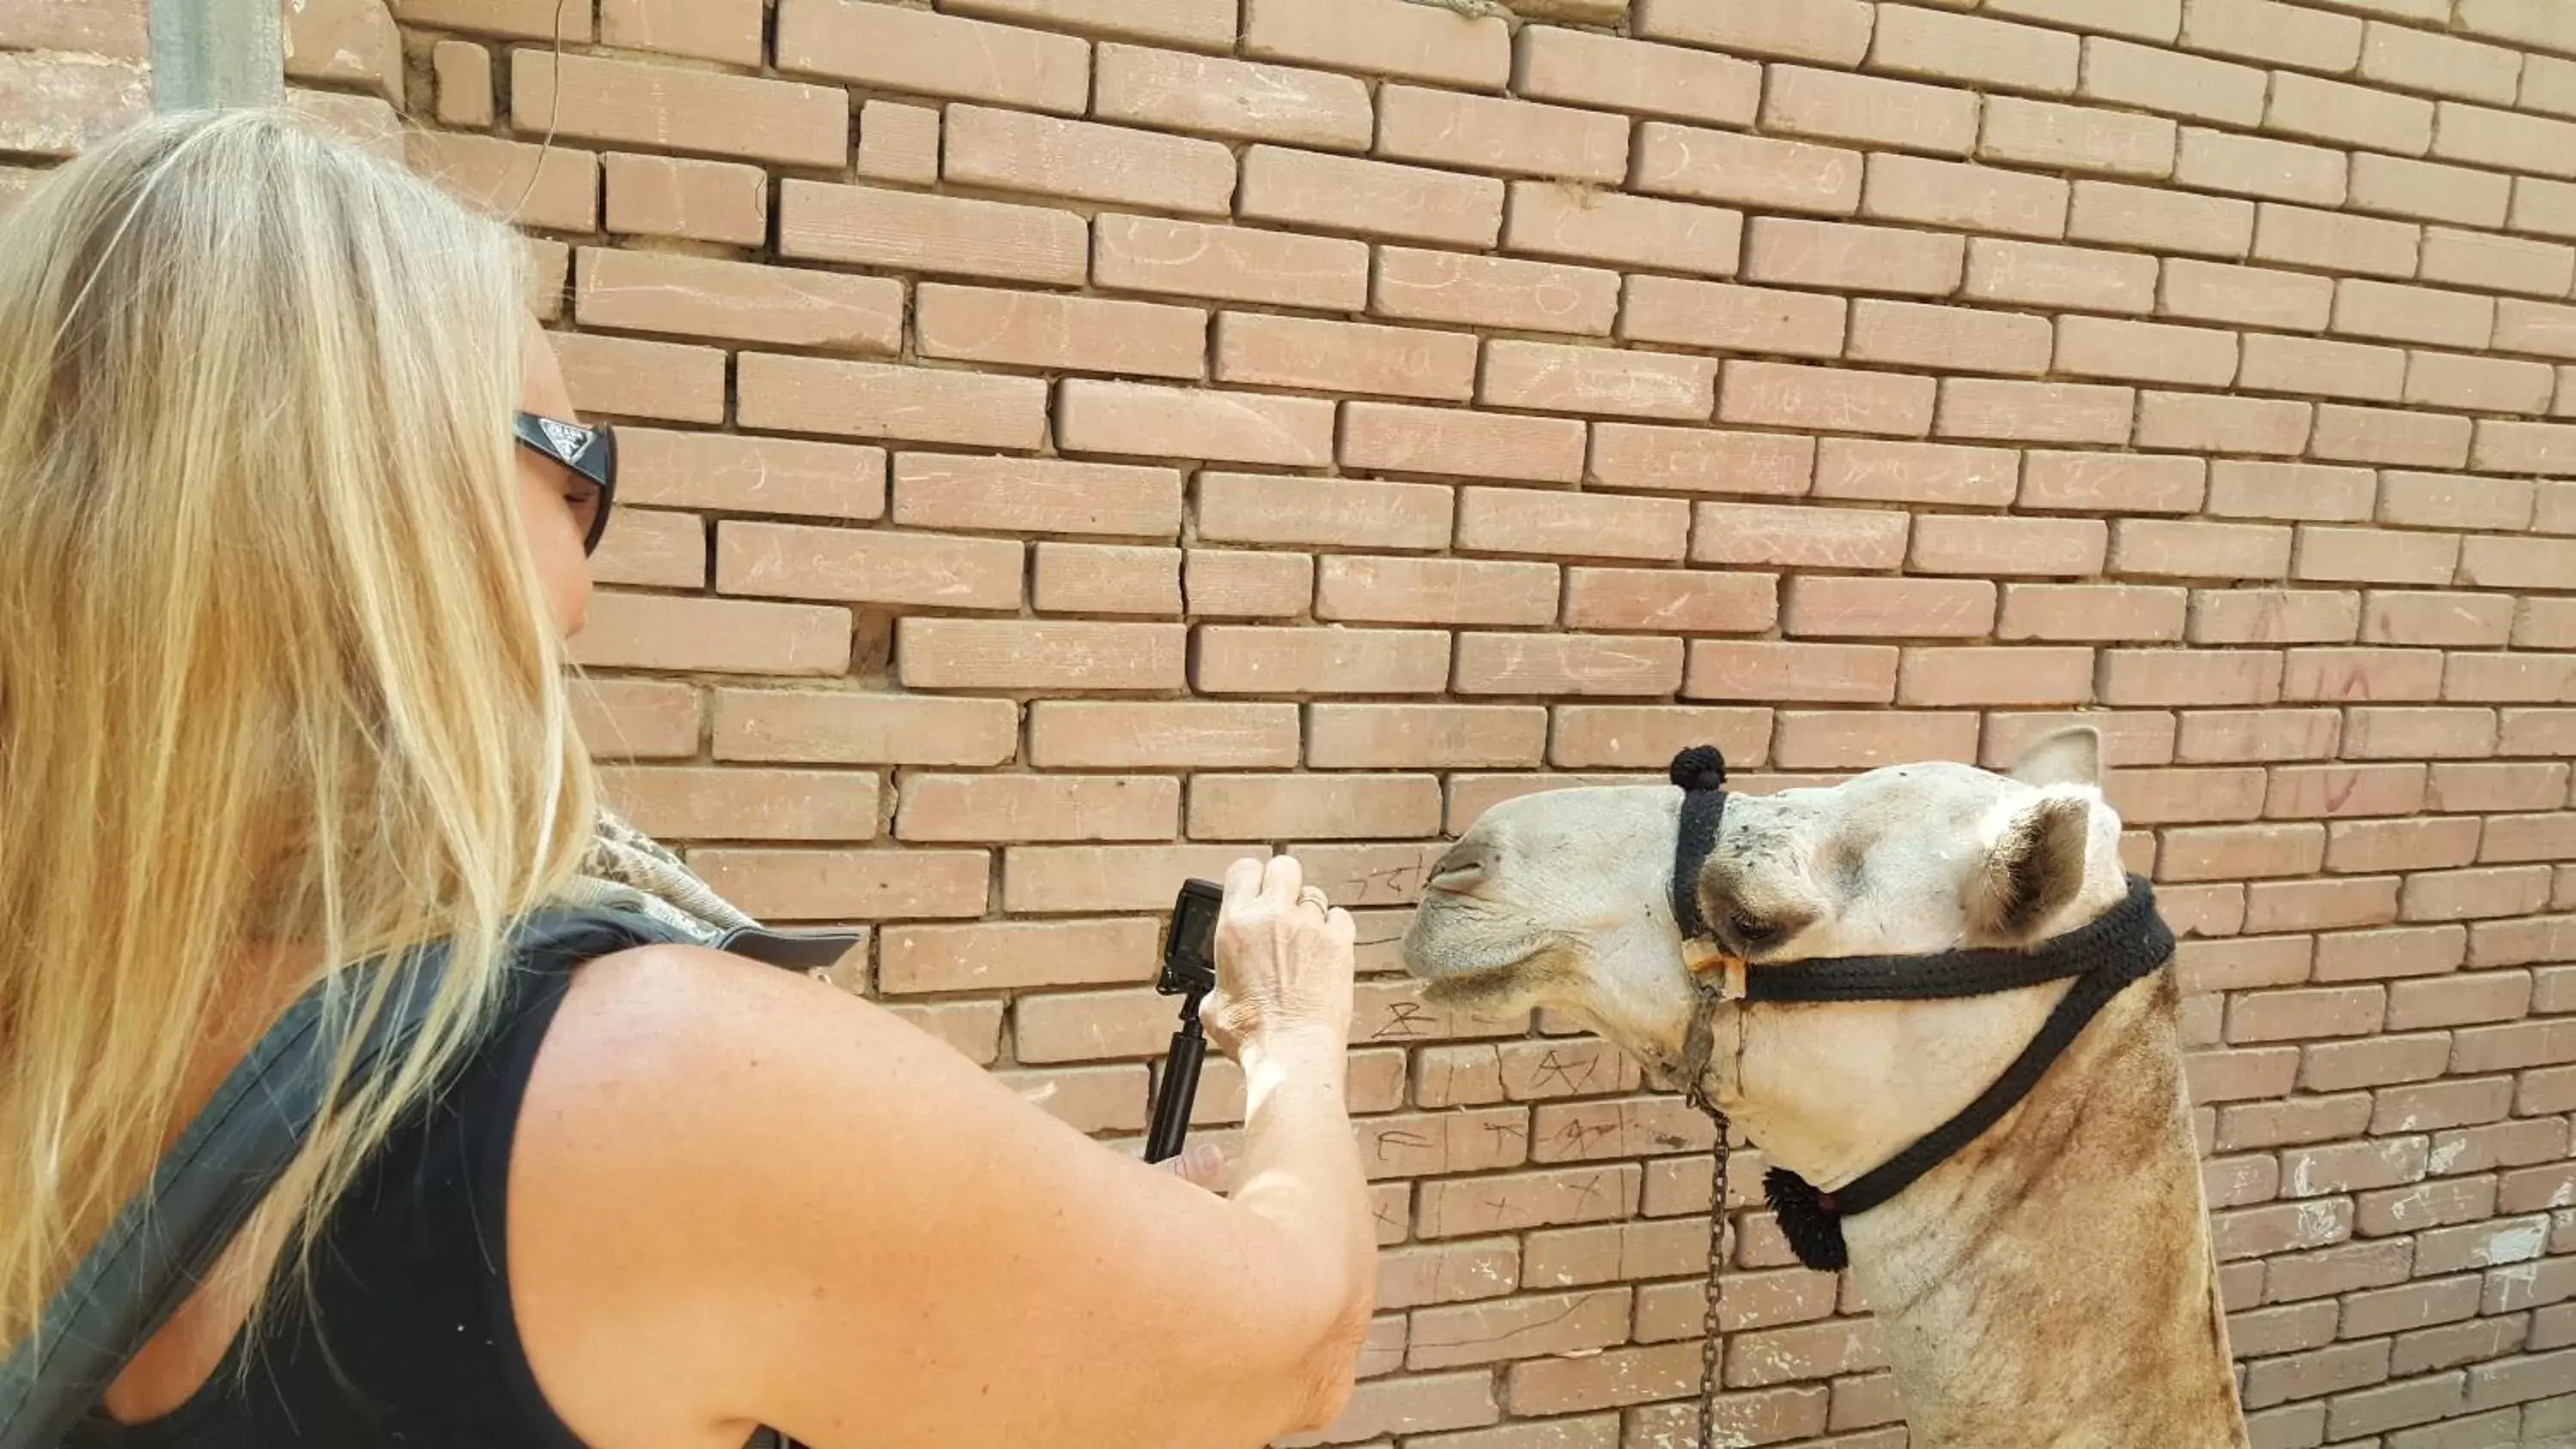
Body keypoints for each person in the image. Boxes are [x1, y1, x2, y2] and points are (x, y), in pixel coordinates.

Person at [0, 109, 1376, 1447]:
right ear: (400, 517)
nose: (585, 587)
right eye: (571, 471)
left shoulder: (54, 1038)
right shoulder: (652, 1082)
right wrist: (1296, 1043)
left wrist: (959, 1220)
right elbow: (1295, 1343)